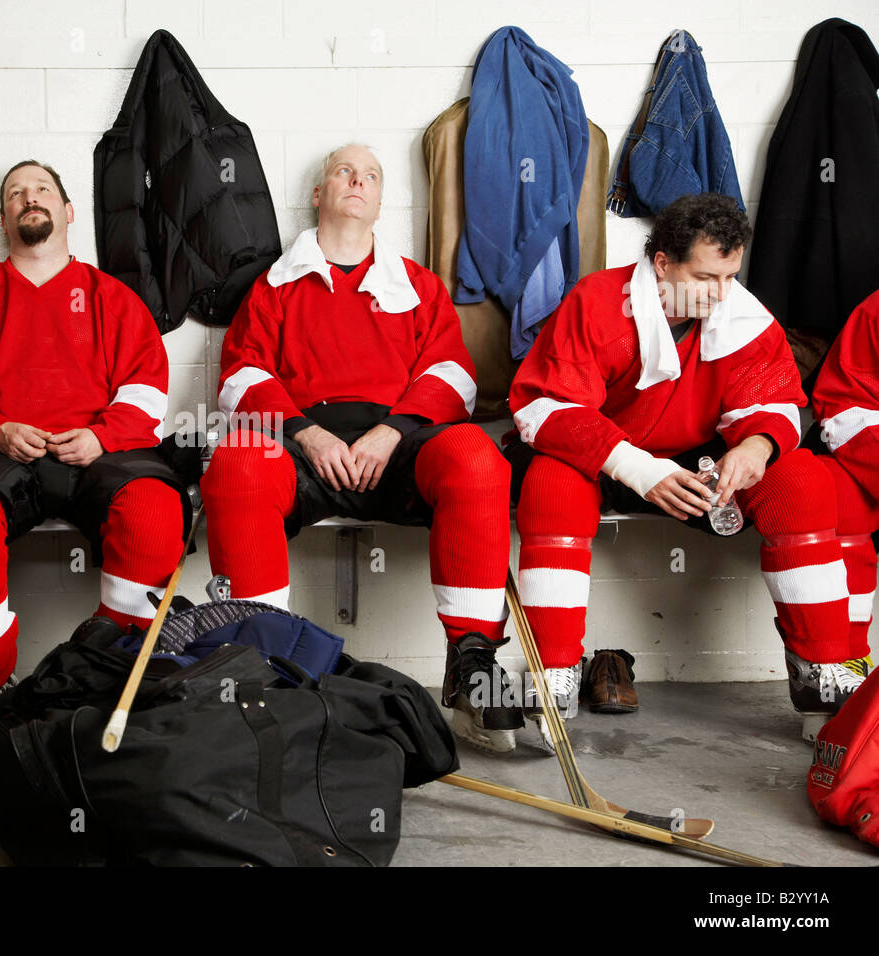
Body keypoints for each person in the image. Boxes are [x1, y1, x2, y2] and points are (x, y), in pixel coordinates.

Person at [200, 144, 518, 751]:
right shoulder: (274, 284)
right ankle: (260, 662)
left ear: (379, 201)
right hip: (302, 441)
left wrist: (393, 430)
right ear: (319, 195)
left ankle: (472, 664)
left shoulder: (417, 285)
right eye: (344, 172)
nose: (358, 180)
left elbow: (455, 377)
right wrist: (305, 433)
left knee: (477, 457)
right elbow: (239, 376)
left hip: (398, 442)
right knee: (238, 462)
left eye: (371, 175)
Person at [509, 193, 863, 735]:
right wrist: (639, 470)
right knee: (551, 482)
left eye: (729, 277)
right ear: (662, 263)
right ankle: (551, 672)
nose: (720, 294)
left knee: (803, 478)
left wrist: (756, 447)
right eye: (704, 278)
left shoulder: (742, 312)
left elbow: (776, 403)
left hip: (695, 468)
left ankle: (821, 674)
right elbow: (545, 407)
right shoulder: (597, 301)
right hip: (603, 460)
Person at [0, 160, 186, 715]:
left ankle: (111, 664)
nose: (29, 197)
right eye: (16, 193)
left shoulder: (112, 297)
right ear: (3, 221)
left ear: (67, 212)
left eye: (42, 189)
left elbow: (146, 388)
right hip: (1, 452)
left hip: (97, 451)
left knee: (156, 511)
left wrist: (102, 436)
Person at [810, 288, 879, 680]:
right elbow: (844, 406)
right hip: (862, 434)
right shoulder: (875, 311)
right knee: (843, 504)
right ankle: (846, 661)